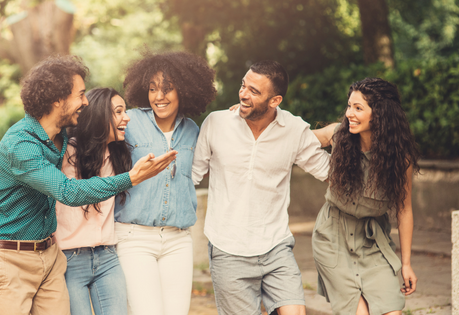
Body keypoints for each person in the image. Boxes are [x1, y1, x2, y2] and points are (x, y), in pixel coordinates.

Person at [0, 55, 177, 315]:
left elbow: (39, 181)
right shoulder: (21, 144)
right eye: (81, 94)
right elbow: (66, 191)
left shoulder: (60, 137)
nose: (86, 101)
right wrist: (131, 178)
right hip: (8, 257)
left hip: (49, 255)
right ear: (57, 99)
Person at [191, 60, 330, 315]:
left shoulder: (294, 130)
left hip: (275, 247)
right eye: (244, 86)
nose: (243, 94)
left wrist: (347, 135)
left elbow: (330, 173)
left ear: (275, 100)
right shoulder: (216, 124)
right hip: (228, 248)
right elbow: (190, 176)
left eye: (254, 91)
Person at [114, 50, 216, 315]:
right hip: (134, 237)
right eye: (152, 89)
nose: (159, 97)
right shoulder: (130, 121)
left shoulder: (193, 130)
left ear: (185, 90)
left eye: (168, 89)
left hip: (178, 240)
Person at [311, 77, 418, 315]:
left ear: (380, 114)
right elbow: (294, 140)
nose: (349, 113)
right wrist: (258, 117)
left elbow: (404, 209)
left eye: (358, 108)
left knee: (393, 311)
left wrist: (407, 264)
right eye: (349, 106)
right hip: (333, 238)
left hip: (373, 242)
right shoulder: (337, 136)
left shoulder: (400, 159)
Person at [55, 88, 130, 315]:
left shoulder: (117, 155)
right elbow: (36, 180)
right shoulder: (68, 152)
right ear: (99, 115)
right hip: (69, 260)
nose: (126, 118)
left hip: (107, 257)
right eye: (118, 112)